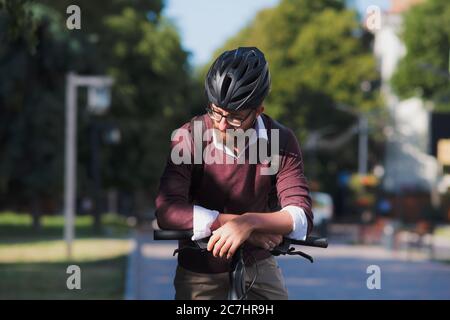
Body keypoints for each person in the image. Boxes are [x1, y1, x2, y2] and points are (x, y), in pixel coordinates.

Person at [155, 47, 313, 300]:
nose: (221, 125)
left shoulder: (280, 140)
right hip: (201, 264)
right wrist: (237, 225)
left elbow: (300, 215)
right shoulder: (189, 137)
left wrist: (250, 222)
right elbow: (167, 211)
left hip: (257, 263)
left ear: (258, 110)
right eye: (216, 112)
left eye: (235, 118)